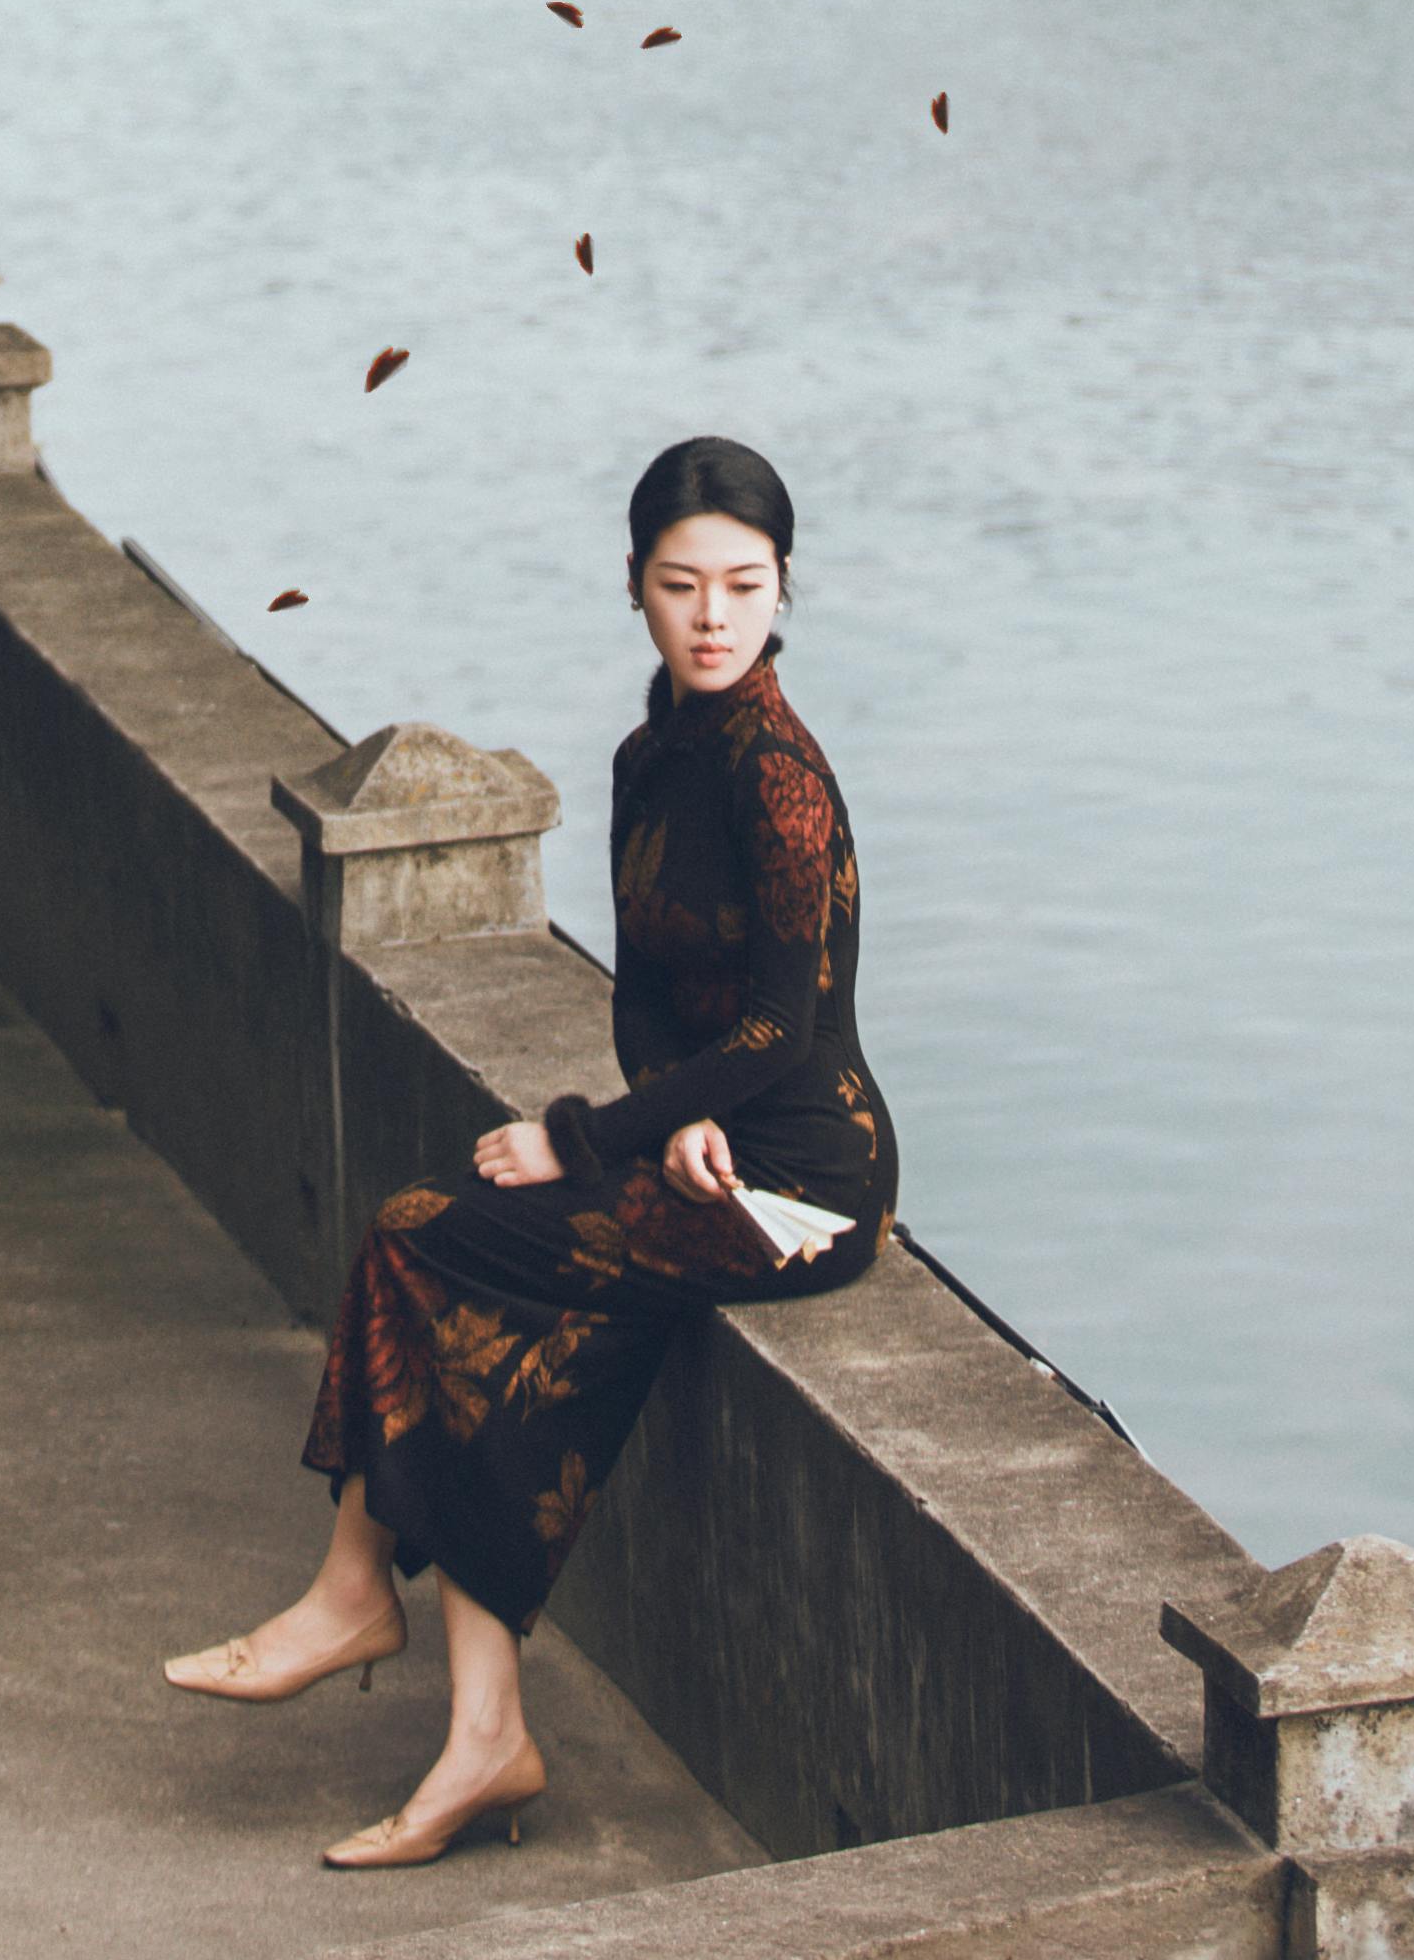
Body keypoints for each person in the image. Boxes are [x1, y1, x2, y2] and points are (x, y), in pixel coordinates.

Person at [166, 431, 893, 1868]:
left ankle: (354, 1590)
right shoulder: (645, 760)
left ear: (783, 589)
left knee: (424, 1233)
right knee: (513, 1344)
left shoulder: (779, 780)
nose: (713, 616)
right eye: (683, 585)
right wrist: (658, 1116)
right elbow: (651, 1011)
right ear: (635, 587)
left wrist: (582, 1138)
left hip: (801, 1188)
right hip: (705, 1158)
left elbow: (785, 1037)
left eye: (744, 587)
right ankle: (483, 1734)